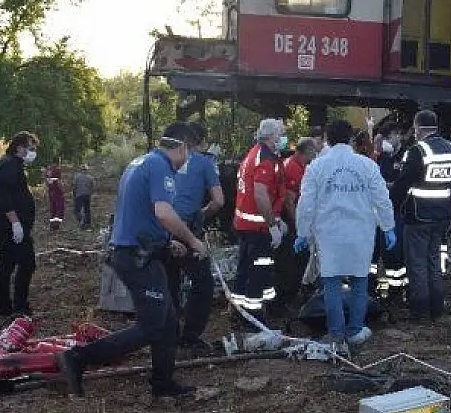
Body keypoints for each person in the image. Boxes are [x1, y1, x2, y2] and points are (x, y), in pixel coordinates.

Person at [55, 122, 208, 398]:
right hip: (135, 258)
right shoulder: (160, 166)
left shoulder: (141, 162)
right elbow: (162, 212)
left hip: (141, 252)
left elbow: (141, 213)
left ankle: (162, 383)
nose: (190, 159)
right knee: (152, 325)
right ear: (183, 146)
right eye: (191, 152)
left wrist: (166, 242)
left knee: (169, 320)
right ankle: (78, 357)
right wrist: (192, 240)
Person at [294, 120, 395, 350]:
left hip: (329, 234)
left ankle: (336, 334)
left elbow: (306, 204)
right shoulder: (367, 166)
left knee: (331, 283)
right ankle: (355, 330)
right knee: (360, 282)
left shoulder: (317, 167)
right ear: (351, 139)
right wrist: (388, 227)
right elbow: (382, 198)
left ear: (327, 139)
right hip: (360, 232)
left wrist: (302, 232)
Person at [389, 110, 451, 321]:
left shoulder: (417, 151)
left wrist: (392, 201)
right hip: (442, 214)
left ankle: (420, 310)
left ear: (418, 127)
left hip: (418, 215)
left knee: (417, 264)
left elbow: (404, 183)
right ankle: (437, 308)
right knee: (433, 260)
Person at [165, 123, 223, 352]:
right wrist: (202, 214)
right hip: (188, 229)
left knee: (169, 282)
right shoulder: (204, 163)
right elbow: (219, 201)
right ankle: (190, 335)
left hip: (161, 226)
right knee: (202, 283)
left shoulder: (154, 160)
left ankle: (168, 334)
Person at [233, 118, 289, 323]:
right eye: (281, 133)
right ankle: (253, 317)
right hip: (257, 227)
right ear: (271, 136)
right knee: (259, 269)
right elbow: (260, 195)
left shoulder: (255, 154)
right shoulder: (265, 159)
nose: (284, 137)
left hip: (248, 224)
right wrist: (272, 224)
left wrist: (274, 218)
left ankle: (241, 312)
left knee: (247, 269)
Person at [0, 131, 40, 318]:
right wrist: (15, 223)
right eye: (31, 148)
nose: (33, 152)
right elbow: (3, 198)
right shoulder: (8, 165)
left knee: (8, 263)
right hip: (9, 226)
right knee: (26, 263)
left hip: (10, 225)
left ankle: (6, 308)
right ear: (19, 147)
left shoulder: (12, 164)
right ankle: (18, 307)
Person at [274, 137, 319, 309]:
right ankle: (286, 299)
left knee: (296, 260)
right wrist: (299, 224)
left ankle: (290, 296)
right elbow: (290, 200)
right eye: (313, 151)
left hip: (293, 219)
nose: (315, 154)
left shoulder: (297, 165)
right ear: (307, 151)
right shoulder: (293, 167)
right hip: (291, 220)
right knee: (294, 261)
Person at [374, 128, 408, 297]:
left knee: (396, 252)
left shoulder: (406, 155)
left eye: (391, 136)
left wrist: (390, 186)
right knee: (382, 250)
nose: (389, 140)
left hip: (397, 209)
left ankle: (397, 290)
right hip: (381, 210)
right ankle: (380, 290)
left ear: (399, 135)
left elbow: (404, 182)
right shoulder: (383, 157)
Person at [72, 164, 96, 230]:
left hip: (79, 195)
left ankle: (81, 222)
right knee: (87, 210)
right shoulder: (91, 178)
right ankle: (87, 223)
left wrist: (74, 195)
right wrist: (90, 193)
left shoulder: (77, 177)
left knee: (77, 210)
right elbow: (93, 187)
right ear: (87, 170)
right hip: (87, 195)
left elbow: (74, 186)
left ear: (81, 170)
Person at [44, 164, 65, 231]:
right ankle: (56, 225)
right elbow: (59, 183)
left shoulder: (48, 173)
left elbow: (47, 183)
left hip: (51, 193)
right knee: (59, 209)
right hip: (58, 193)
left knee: (53, 209)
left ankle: (52, 225)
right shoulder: (57, 171)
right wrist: (63, 190)